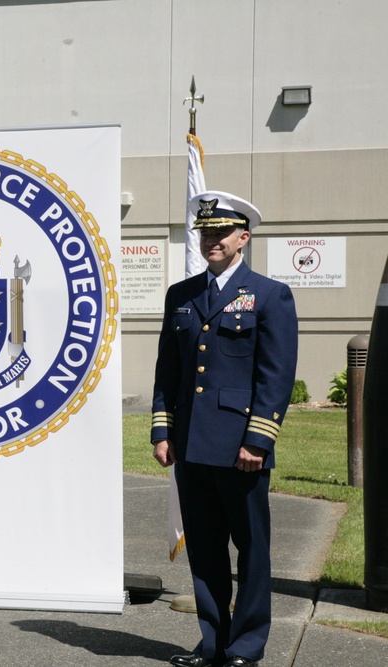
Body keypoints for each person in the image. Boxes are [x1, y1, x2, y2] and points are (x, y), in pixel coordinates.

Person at [151, 191, 298, 667]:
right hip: (192, 445)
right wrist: (162, 430)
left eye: (221, 233)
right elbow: (167, 372)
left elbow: (275, 377)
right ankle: (212, 642)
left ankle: (247, 646)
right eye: (205, 233)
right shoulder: (182, 295)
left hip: (240, 448)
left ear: (243, 237)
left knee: (252, 550)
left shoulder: (270, 294)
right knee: (207, 551)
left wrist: (258, 440)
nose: (211, 240)